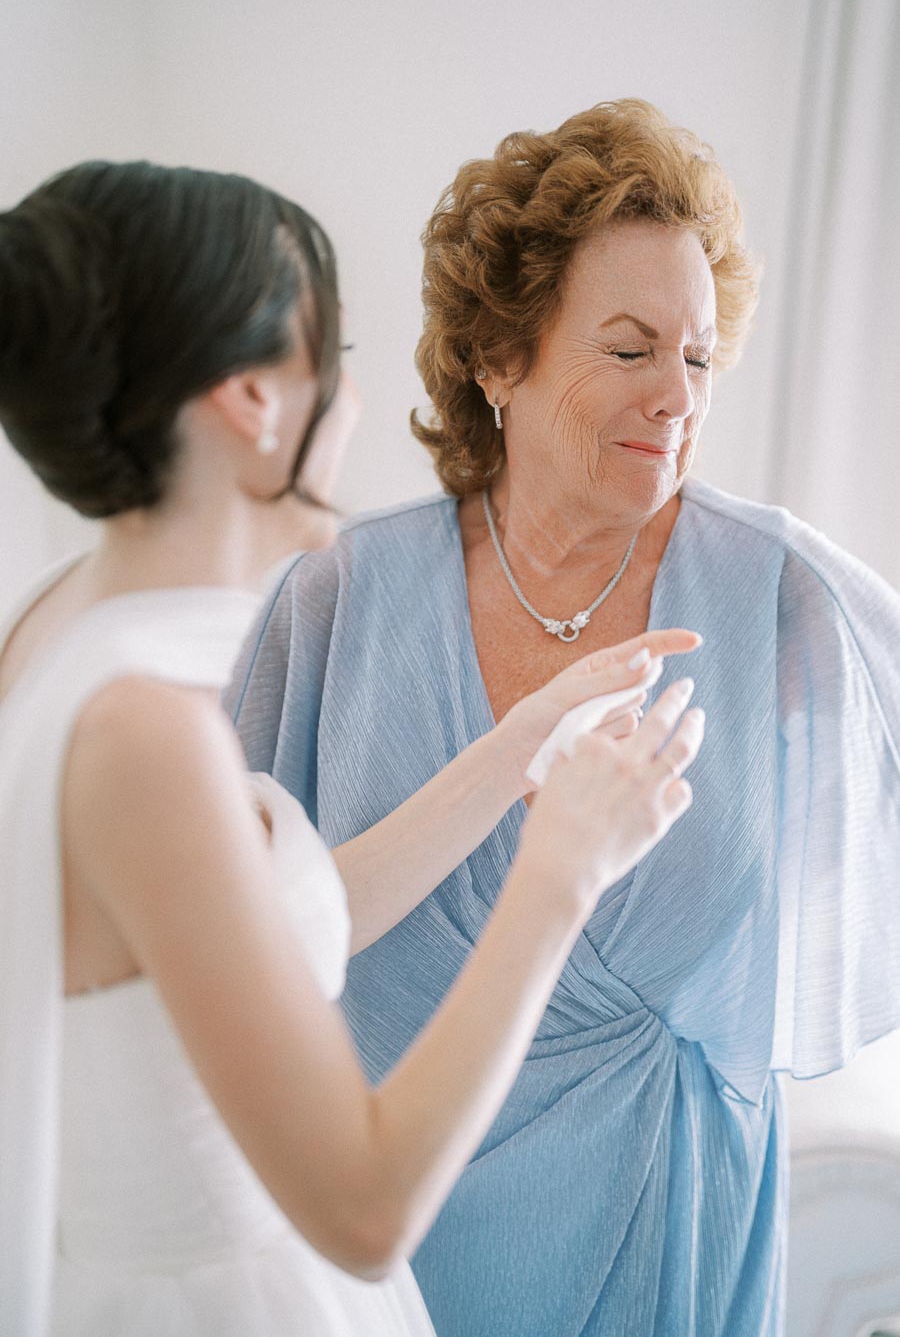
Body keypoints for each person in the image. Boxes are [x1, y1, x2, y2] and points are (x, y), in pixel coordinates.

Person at [228, 99, 900, 1336]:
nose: (675, 397)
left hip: (677, 1230)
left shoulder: (781, 595)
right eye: (631, 347)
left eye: (696, 358)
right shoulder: (336, 604)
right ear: (499, 358)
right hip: (389, 1243)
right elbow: (232, 954)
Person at [0, 160, 705, 1337]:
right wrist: (562, 873)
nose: (358, 403)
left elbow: (250, 925)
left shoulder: (63, 628)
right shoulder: (144, 732)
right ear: (251, 400)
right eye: (330, 356)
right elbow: (366, 1206)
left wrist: (514, 748)